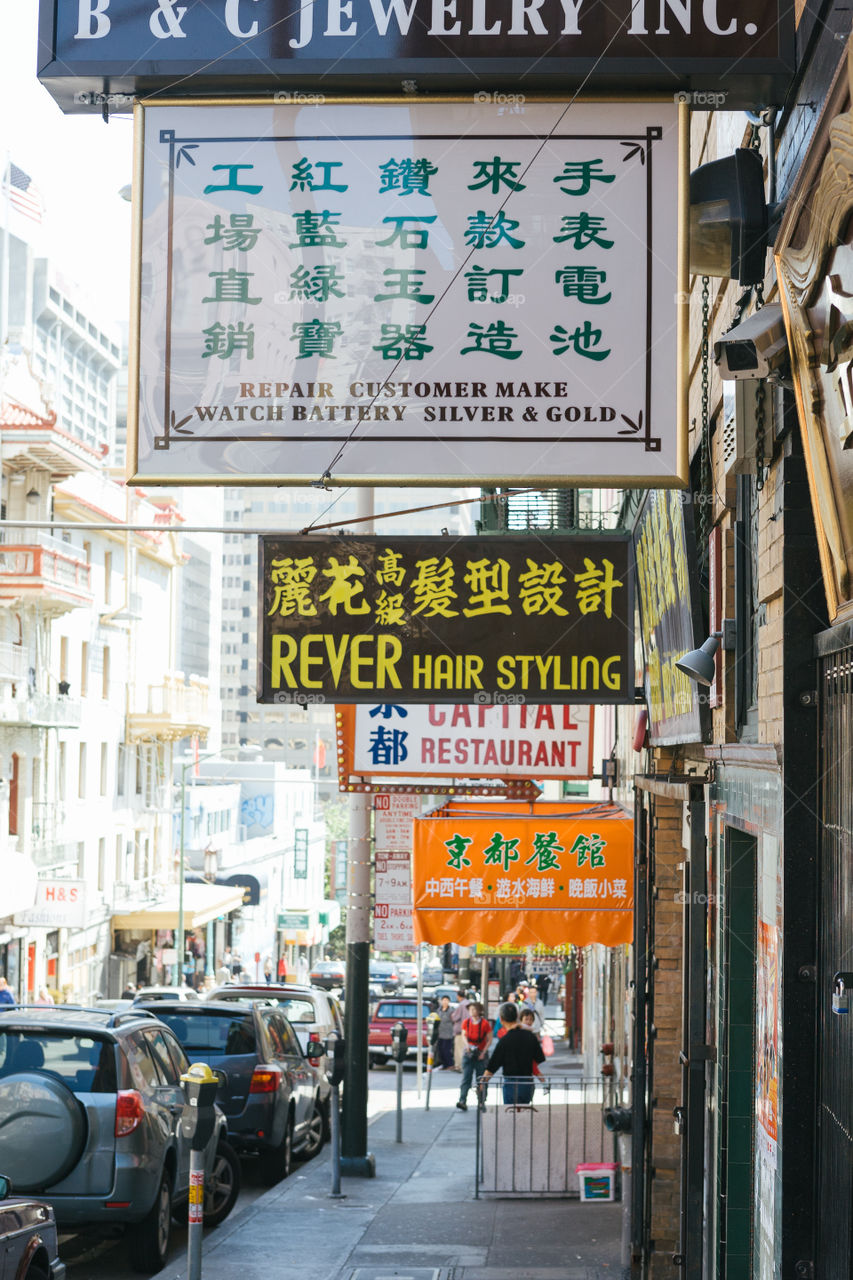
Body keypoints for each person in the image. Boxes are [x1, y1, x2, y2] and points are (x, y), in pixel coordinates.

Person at [480, 1001, 545, 1105]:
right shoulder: (531, 1037)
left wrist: (483, 1081)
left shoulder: (504, 1040)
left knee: (510, 1115)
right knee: (524, 1113)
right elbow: (539, 1058)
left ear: (501, 1019)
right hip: (527, 1082)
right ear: (517, 1017)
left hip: (510, 1082)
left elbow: (493, 1065)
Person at [456, 1002, 492, 1111]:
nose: (472, 1011)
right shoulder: (466, 1022)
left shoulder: (485, 1024)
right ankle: (462, 1100)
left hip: (480, 1053)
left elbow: (489, 1039)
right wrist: (467, 1046)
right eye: (470, 1009)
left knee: (481, 1079)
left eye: (474, 1009)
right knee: (466, 1077)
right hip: (469, 1053)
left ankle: (481, 1101)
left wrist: (483, 1052)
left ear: (479, 1011)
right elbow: (464, 1035)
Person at [451, 988, 470, 1071]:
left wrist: (452, 1015)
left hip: (460, 1030)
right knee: (465, 1048)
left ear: (458, 996)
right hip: (469, 1029)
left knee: (459, 1049)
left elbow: (455, 1017)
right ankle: (464, 1066)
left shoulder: (461, 1005)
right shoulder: (469, 1003)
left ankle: (459, 1066)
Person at [434, 994, 455, 1070]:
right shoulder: (438, 1010)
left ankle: (450, 1064)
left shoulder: (451, 1010)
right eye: (444, 1000)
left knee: (446, 1050)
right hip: (440, 1033)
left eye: (446, 1000)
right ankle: (444, 1064)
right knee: (440, 1050)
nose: (445, 1002)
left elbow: (454, 1020)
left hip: (448, 1033)